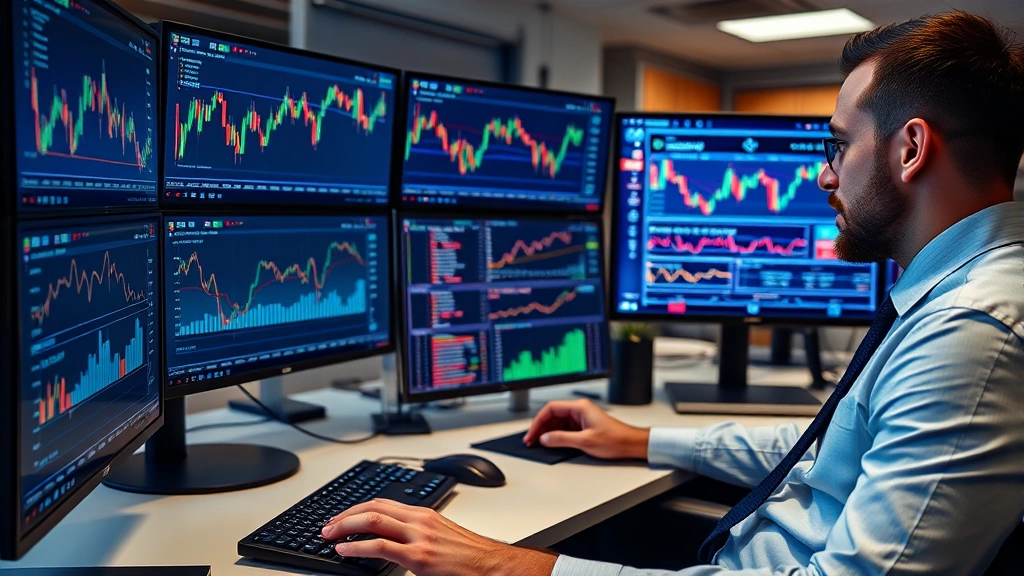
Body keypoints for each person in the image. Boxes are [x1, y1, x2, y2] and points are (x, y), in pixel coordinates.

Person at [322, 11, 1024, 575]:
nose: (825, 175)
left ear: (909, 149)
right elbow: (825, 448)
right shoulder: (952, 293)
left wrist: (511, 568)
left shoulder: (967, 333)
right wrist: (642, 439)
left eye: (839, 144)